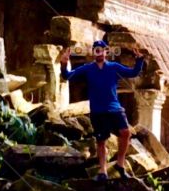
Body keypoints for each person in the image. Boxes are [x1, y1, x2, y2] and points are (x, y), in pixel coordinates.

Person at [59, 40, 145, 181]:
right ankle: (102, 170)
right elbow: (67, 76)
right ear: (94, 52)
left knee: (125, 132)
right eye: (96, 49)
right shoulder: (87, 68)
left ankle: (120, 164)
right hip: (98, 110)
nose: (99, 52)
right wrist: (63, 64)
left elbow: (133, 72)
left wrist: (139, 59)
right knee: (101, 140)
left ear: (106, 52)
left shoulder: (113, 67)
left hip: (114, 108)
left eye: (101, 49)